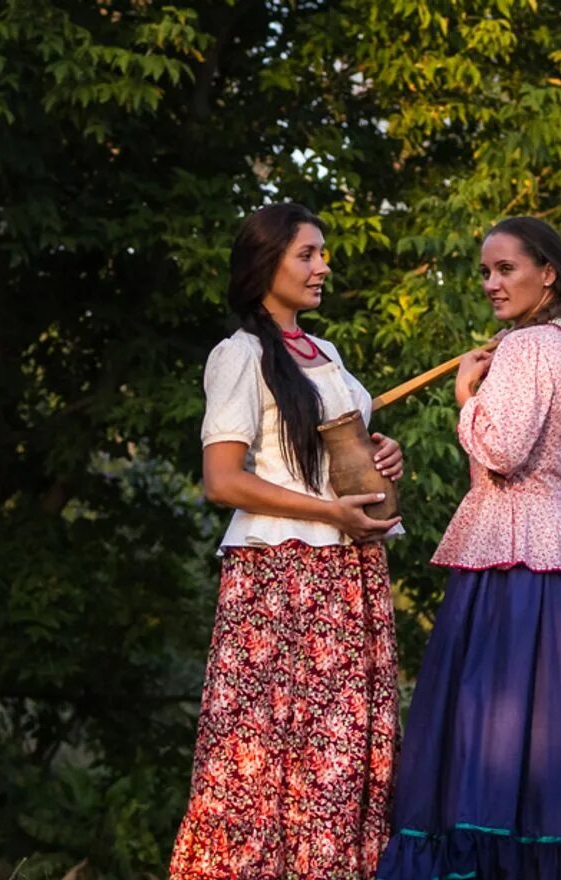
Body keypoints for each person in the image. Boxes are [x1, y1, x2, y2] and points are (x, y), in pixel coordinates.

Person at [376, 217, 561, 879]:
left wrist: (466, 396)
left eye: (507, 269)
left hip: (512, 559)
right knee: (545, 736)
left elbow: (501, 450)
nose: (492, 283)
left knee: (491, 726)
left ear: (547, 273)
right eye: (485, 272)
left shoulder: (529, 346)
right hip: (553, 554)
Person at [168, 203, 405, 880]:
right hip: (283, 576)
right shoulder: (239, 355)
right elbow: (222, 480)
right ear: (263, 263)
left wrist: (383, 452)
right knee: (274, 749)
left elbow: (340, 446)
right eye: (307, 254)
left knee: (342, 751)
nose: (322, 266)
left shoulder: (324, 352)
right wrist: (329, 513)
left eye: (322, 253)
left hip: (348, 571)